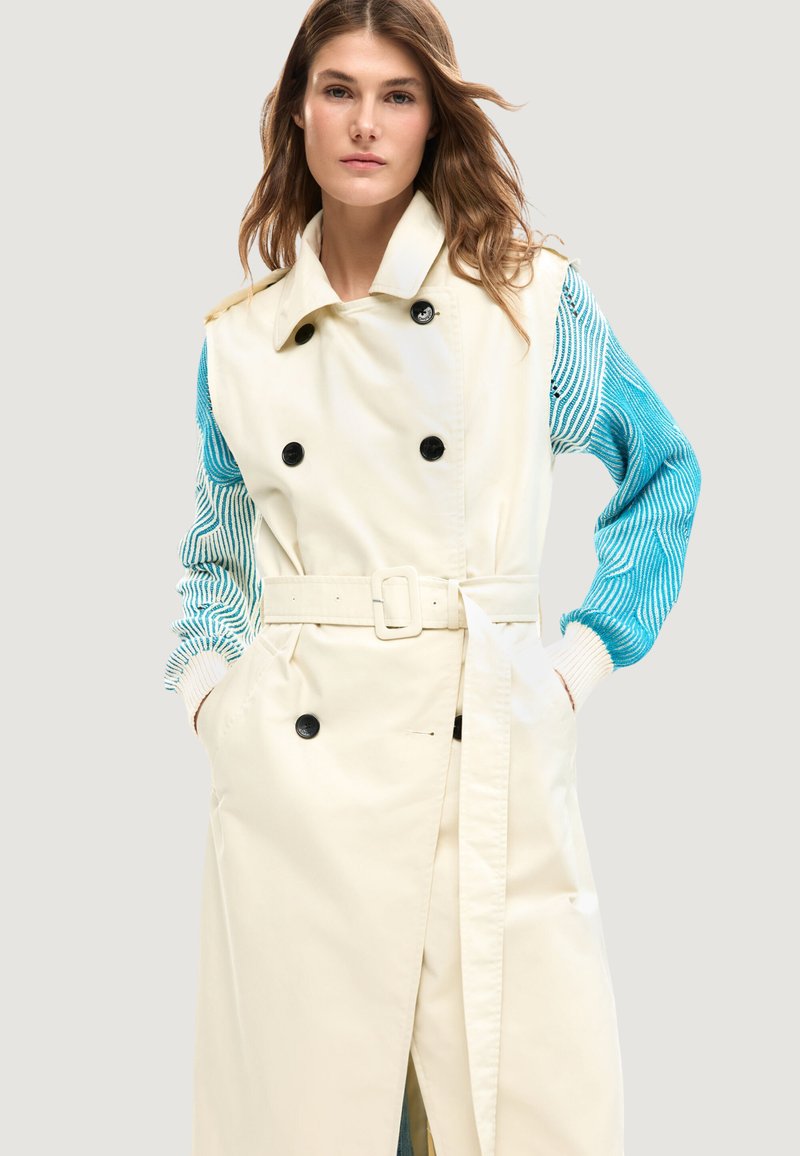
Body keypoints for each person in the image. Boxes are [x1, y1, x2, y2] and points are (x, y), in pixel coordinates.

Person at [163, 2, 701, 1154]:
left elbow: (662, 470)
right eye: (339, 91)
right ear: (296, 113)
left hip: (480, 745)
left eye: (396, 95)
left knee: (515, 1109)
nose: (365, 123)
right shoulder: (239, 345)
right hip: (292, 790)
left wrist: (578, 662)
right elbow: (214, 551)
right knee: (303, 1116)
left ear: (429, 120)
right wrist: (210, 690)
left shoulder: (525, 304)